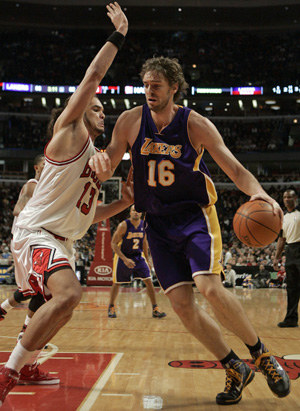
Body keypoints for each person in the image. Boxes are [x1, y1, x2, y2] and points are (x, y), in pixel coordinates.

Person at [89, 56, 290, 405]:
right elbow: (108, 166)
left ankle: (261, 356)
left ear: (174, 88)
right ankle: (233, 366)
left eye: (157, 86)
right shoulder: (130, 122)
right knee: (182, 306)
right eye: (146, 85)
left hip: (195, 217)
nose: (149, 92)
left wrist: (257, 191)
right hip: (157, 223)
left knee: (209, 288)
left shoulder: (195, 124)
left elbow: (236, 170)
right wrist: (99, 162)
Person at [0, 3, 131, 406]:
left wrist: (123, 202)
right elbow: (92, 78)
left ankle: (30, 361)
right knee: (70, 294)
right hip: (36, 233)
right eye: (96, 107)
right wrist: (118, 35)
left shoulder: (97, 160)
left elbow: (91, 215)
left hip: (61, 239)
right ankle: (8, 373)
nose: (102, 111)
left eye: (103, 109)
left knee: (57, 306)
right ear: (76, 114)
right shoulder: (69, 134)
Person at [0, 155, 46, 343]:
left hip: (28, 240)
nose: (48, 167)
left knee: (31, 290)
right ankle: (25, 331)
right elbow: (18, 209)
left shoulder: (46, 188)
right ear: (36, 167)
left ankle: (3, 309)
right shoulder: (32, 185)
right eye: (44, 165)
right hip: (25, 240)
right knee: (41, 289)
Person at [108, 204, 166, 319]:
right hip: (123, 256)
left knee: (148, 281)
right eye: (134, 210)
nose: (136, 212)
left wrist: (147, 259)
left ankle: (155, 308)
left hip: (138, 257)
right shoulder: (123, 225)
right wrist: (125, 259)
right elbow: (113, 244)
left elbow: (144, 242)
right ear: (130, 212)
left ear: (141, 213)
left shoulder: (144, 225)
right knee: (117, 283)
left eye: (138, 211)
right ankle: (111, 306)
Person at [273, 189, 300, 328]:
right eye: (284, 197)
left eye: (290, 196)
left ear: (296, 198)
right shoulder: (283, 217)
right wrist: (276, 258)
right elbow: (281, 239)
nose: (287, 199)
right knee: (292, 288)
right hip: (290, 251)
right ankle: (291, 318)